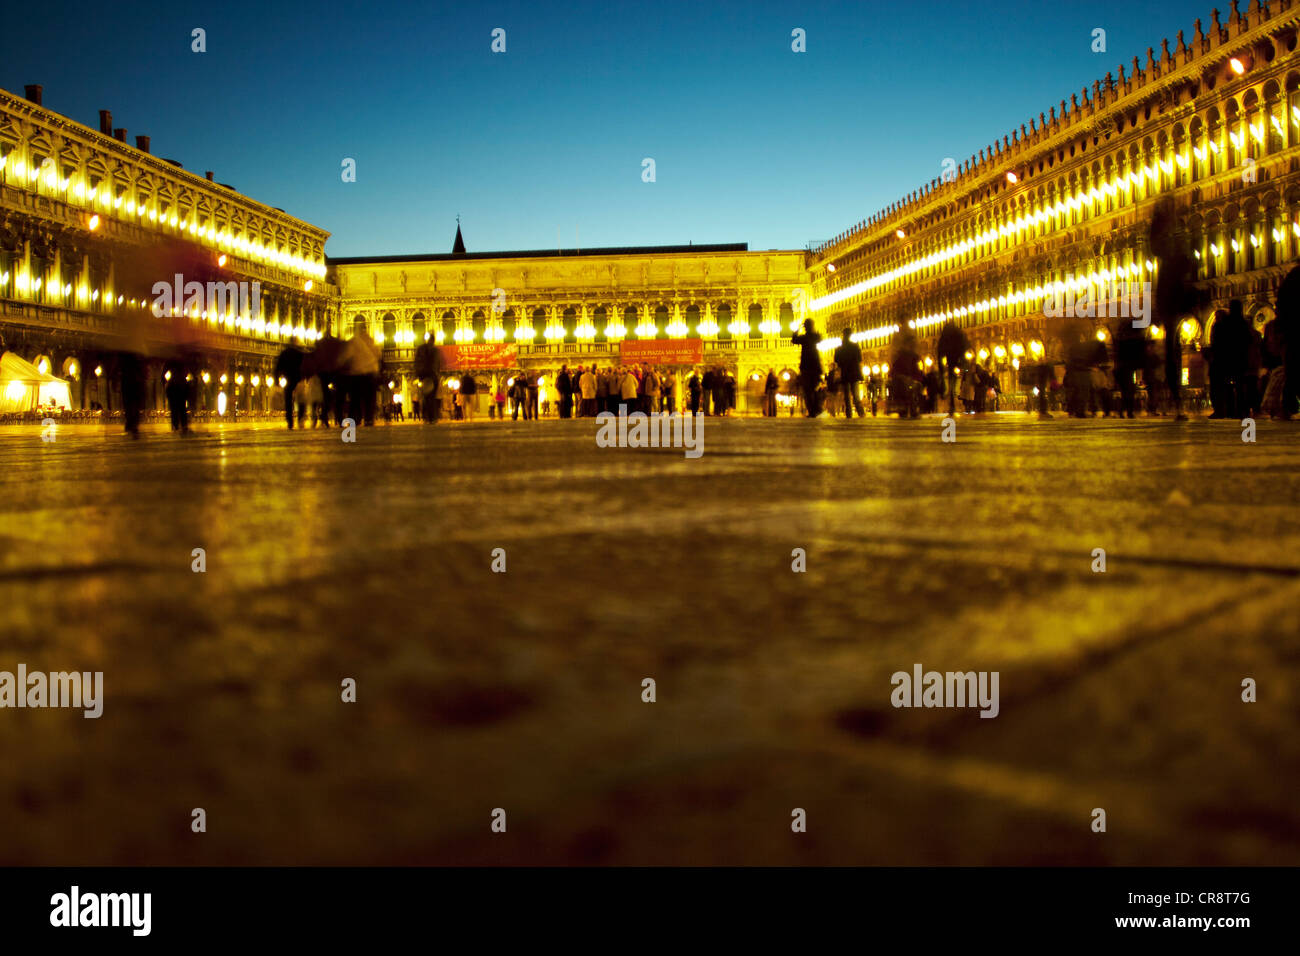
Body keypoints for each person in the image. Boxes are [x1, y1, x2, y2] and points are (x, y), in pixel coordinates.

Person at [1150, 197, 1200, 420]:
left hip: (1174, 299)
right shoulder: (1167, 249)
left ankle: (1176, 400)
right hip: (1172, 299)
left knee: (1174, 348)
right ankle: (1176, 400)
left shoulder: (1174, 248)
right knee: (1172, 349)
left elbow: (1189, 261)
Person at [791, 319, 823, 417]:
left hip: (806, 366)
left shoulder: (804, 338)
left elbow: (794, 340)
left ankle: (812, 411)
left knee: (808, 391)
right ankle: (816, 408)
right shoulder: (815, 336)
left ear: (805, 327)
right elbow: (820, 337)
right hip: (815, 365)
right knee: (815, 389)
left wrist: (797, 330)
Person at [833, 328, 865, 418]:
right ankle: (861, 413)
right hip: (854, 373)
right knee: (856, 395)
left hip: (845, 373)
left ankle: (849, 414)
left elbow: (836, 359)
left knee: (847, 395)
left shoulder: (839, 348)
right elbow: (859, 359)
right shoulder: (855, 347)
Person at [274, 344, 307, 429]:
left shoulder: (284, 353)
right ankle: (300, 418)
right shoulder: (299, 353)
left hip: (288, 378)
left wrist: (276, 379)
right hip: (298, 378)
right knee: (301, 399)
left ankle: (290, 421)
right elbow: (305, 365)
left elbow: (278, 367)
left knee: (288, 400)